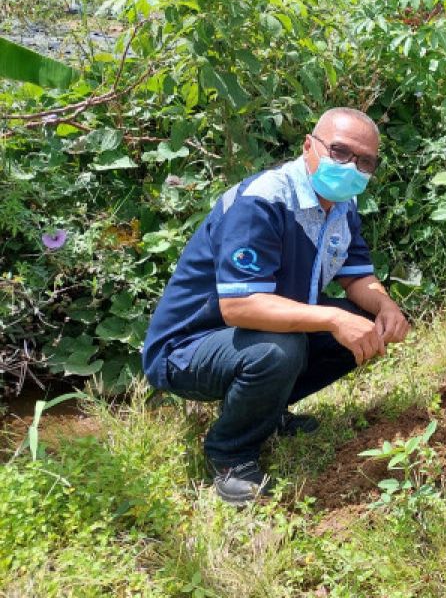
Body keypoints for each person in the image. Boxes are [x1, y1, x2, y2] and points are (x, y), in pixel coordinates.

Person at [142, 108, 411, 505]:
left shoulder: (342, 206)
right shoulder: (263, 201)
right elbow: (239, 307)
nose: (351, 167)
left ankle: (266, 412)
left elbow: (356, 277)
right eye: (339, 152)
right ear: (309, 146)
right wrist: (332, 317)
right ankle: (230, 453)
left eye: (365, 161)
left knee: (365, 322)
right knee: (278, 350)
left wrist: (386, 306)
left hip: (255, 335)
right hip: (189, 347)